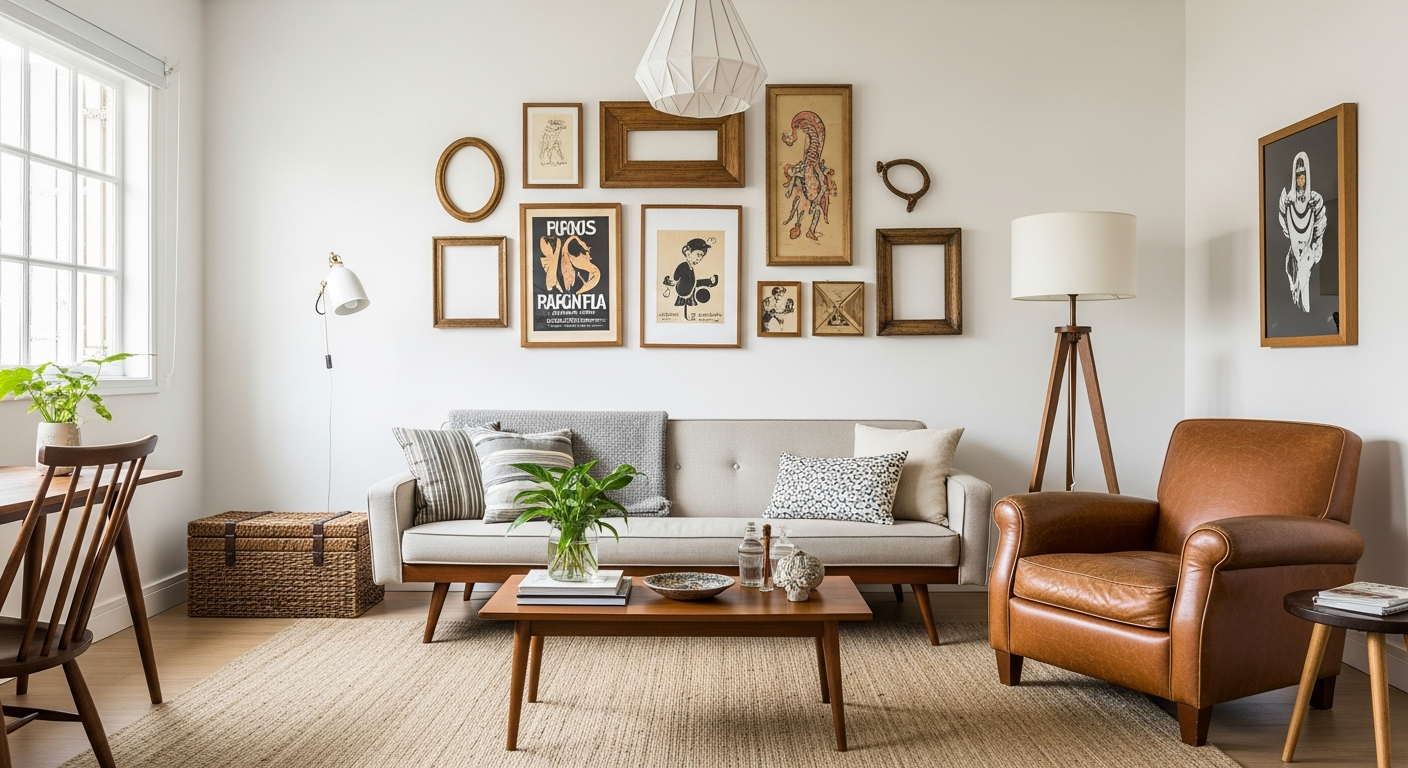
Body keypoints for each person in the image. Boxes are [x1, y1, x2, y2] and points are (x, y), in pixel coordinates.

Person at [1278, 151, 1327, 312]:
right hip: (1296, 246)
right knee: (1294, 274)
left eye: (1303, 177)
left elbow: (1319, 222)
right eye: (1298, 177)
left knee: (1303, 276)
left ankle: (1304, 305)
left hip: (1307, 247)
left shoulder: (1314, 199)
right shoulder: (1289, 199)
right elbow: (1285, 220)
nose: (1301, 180)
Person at [662, 238, 718, 321]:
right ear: (688, 253)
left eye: (701, 256)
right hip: (682, 293)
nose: (699, 259)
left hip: (689, 293)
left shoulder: (690, 268)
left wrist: (708, 282)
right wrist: (669, 282)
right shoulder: (683, 266)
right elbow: (675, 279)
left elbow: (693, 283)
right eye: (698, 255)